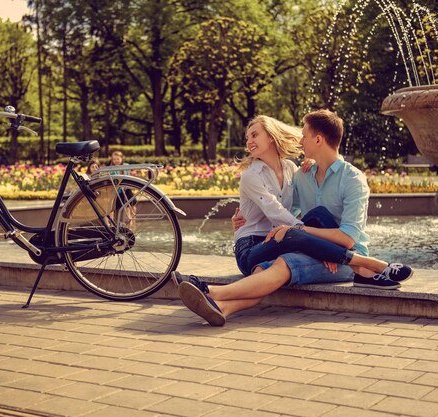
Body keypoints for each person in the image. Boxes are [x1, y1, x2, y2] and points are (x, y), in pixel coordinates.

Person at [172, 110, 412, 326]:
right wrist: (315, 244)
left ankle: (214, 296)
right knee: (289, 242)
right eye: (248, 137)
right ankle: (371, 265)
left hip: (332, 252)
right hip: (264, 245)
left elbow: (338, 235)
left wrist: (308, 238)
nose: (300, 140)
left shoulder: (324, 175)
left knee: (279, 261)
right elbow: (281, 212)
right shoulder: (297, 176)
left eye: (254, 135)